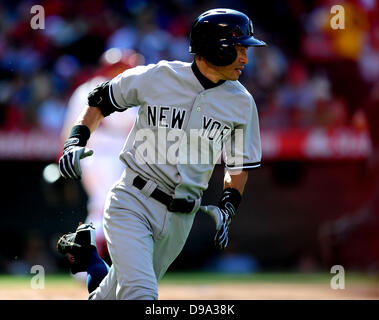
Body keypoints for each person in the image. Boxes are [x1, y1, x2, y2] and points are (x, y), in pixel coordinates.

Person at [57, 8, 266, 300]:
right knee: (142, 295)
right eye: (239, 48)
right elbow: (100, 98)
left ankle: (89, 259)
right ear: (213, 48)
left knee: (112, 295)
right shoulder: (159, 76)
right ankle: (92, 255)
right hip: (133, 199)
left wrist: (229, 204)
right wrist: (76, 141)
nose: (245, 58)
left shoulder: (243, 103)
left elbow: (239, 164)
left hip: (181, 217)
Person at [60, 49, 141, 265]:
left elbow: (67, 131)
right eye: (122, 67)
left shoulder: (83, 90)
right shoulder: (118, 91)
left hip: (90, 159)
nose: (126, 70)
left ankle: (90, 261)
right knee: (106, 208)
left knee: (101, 208)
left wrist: (63, 159)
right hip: (108, 159)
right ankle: (85, 260)